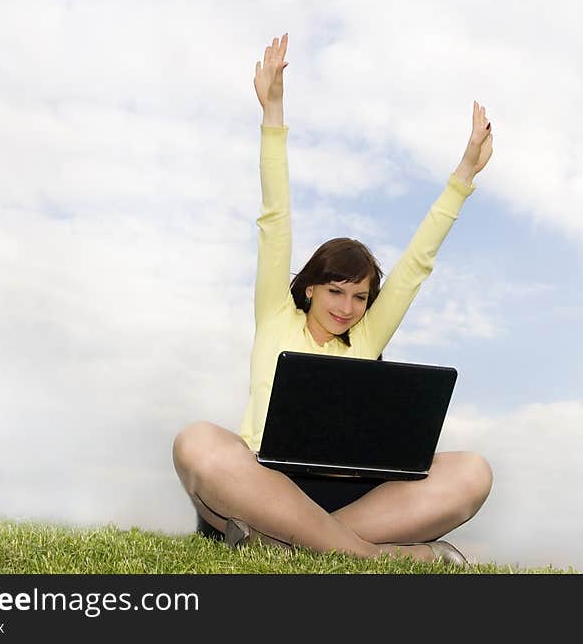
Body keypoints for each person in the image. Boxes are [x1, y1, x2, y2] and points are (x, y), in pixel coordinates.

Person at [173, 33, 494, 565]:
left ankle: (283, 542)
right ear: (311, 288)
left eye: (360, 297)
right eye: (335, 291)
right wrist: (273, 111)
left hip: (348, 492)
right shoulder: (277, 314)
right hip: (262, 481)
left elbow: (416, 265)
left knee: (473, 472)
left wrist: (463, 176)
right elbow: (274, 216)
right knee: (196, 443)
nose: (347, 307)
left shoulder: (366, 335)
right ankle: (377, 557)